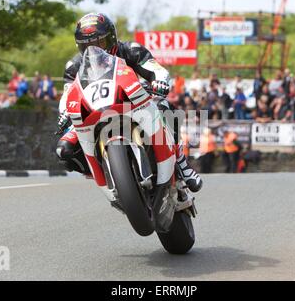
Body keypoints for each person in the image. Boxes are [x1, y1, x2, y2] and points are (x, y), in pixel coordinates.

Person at [56, 13, 202, 192]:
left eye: (99, 43)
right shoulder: (73, 66)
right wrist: (64, 111)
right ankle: (108, 172)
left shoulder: (132, 50)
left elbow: (156, 69)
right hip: (95, 109)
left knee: (165, 107)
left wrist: (159, 81)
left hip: (134, 101)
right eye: (86, 46)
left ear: (111, 38)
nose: (94, 49)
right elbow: (68, 94)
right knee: (64, 150)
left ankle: (181, 163)